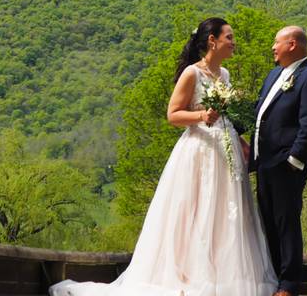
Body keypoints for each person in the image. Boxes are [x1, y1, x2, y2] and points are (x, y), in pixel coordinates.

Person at [51, 18, 277, 296]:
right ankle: (187, 276)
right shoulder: (192, 74)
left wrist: (239, 140)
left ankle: (221, 276)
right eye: (229, 37)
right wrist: (201, 116)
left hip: (225, 150)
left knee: (225, 213)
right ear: (212, 41)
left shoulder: (225, 74)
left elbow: (226, 116)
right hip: (199, 151)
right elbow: (173, 114)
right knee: (196, 211)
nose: (234, 42)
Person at [251, 26, 307, 296]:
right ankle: (273, 277)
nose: (273, 47)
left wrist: (294, 159)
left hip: (287, 163)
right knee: (268, 221)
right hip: (264, 162)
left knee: (286, 222)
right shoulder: (274, 74)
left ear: (293, 44)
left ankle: (289, 285)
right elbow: (259, 113)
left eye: (277, 42)